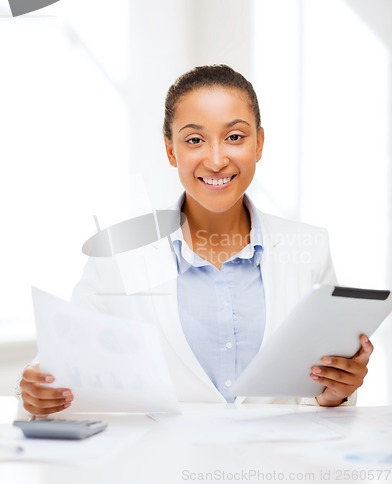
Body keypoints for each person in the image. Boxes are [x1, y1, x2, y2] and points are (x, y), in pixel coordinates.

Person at [18, 65, 373, 415]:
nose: (217, 160)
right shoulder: (118, 255)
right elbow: (60, 364)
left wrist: (336, 393)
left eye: (235, 137)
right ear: (171, 151)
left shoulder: (309, 249)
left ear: (259, 143)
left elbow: (323, 389)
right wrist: (38, 389)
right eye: (194, 140)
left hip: (274, 469)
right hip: (164, 468)